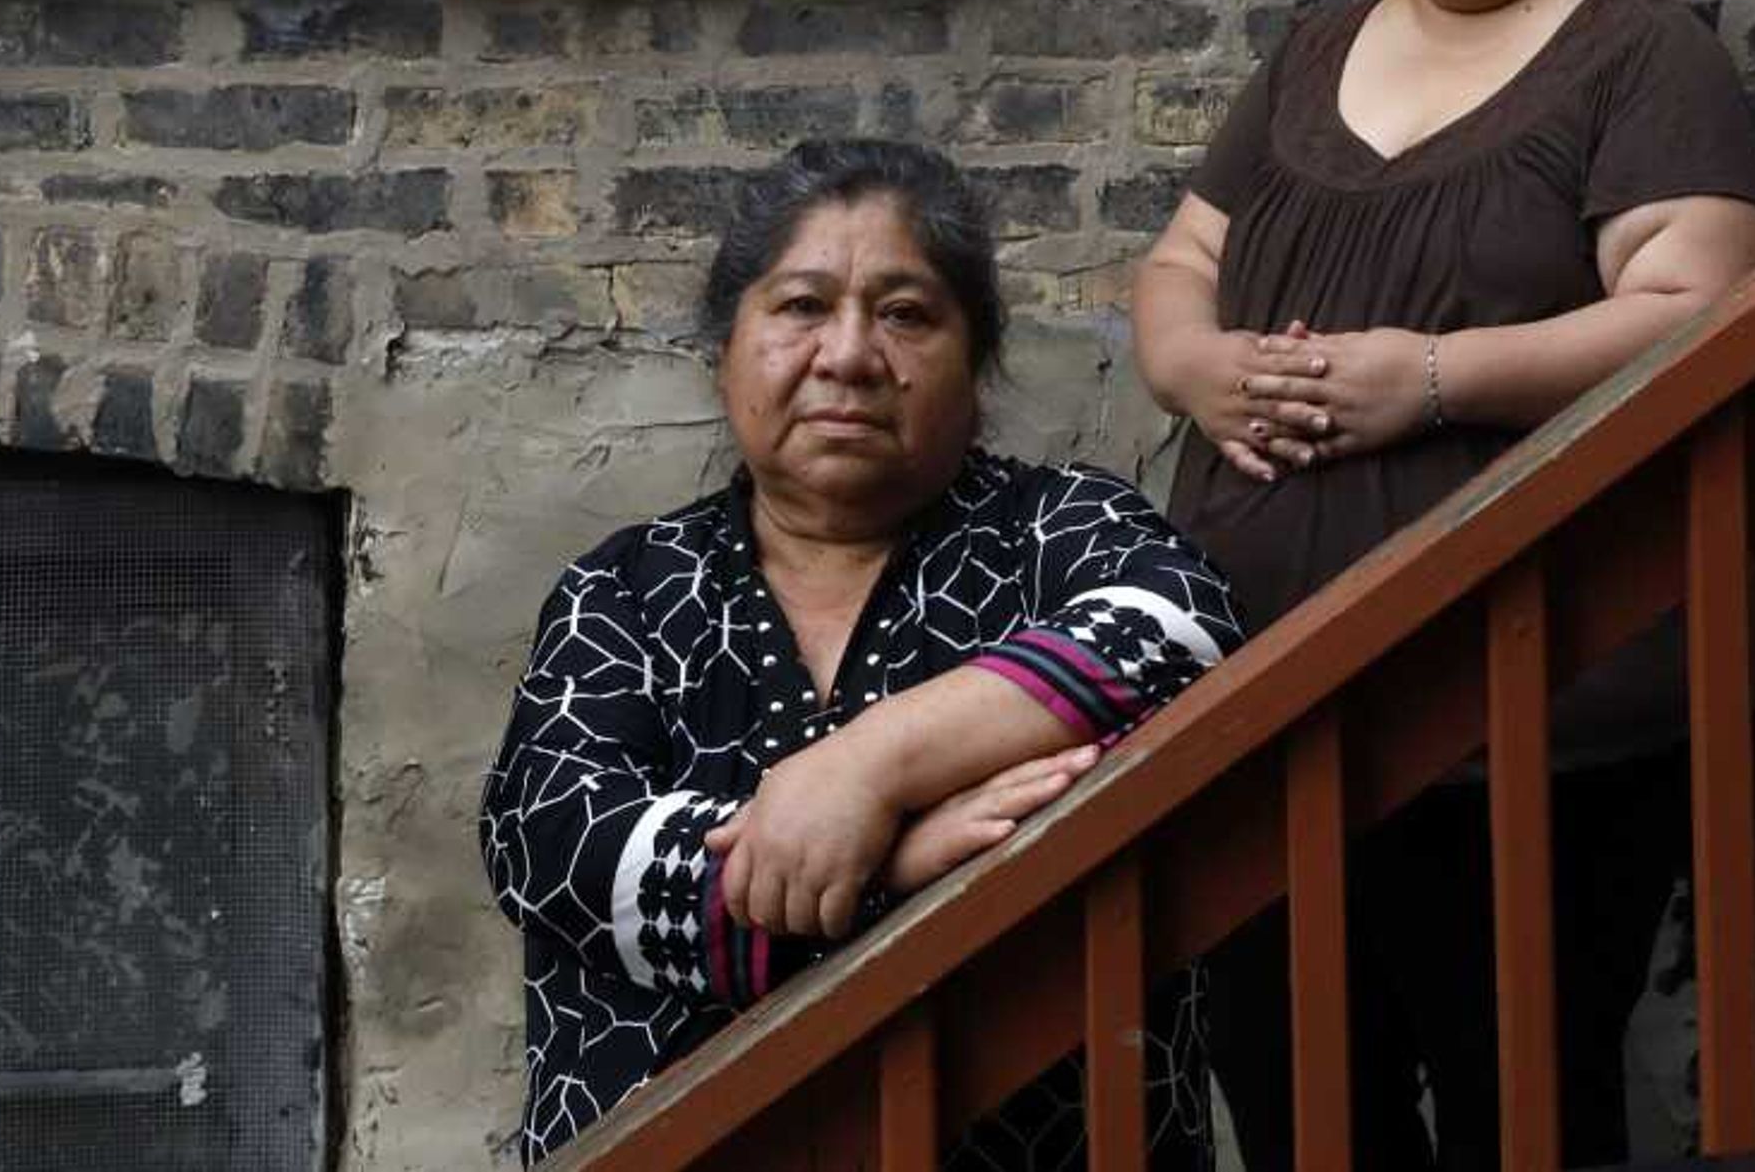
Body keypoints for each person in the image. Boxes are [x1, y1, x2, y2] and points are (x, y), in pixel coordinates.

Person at [1137, 0, 1755, 1170]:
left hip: (1523, 708)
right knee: (1297, 1093)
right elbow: (1179, 259)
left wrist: (1427, 379)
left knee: (1519, 1103)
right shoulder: (1314, 51)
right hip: (1258, 696)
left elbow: (1705, 307)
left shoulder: (1640, 52)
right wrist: (1197, 370)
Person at [482, 139, 1242, 1166]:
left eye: (905, 312)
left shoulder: (1061, 531)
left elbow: (1182, 636)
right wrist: (896, 865)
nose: (847, 353)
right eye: (800, 305)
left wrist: (869, 766)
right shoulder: (623, 591)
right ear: (725, 348)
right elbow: (560, 842)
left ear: (975, 361)